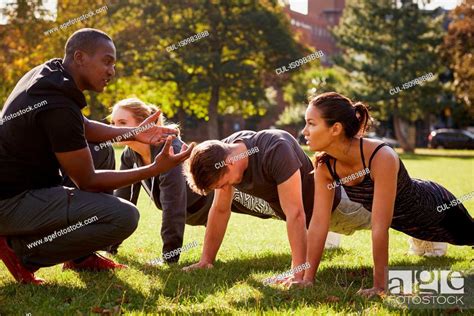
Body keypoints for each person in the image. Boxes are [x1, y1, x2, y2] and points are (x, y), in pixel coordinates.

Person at [0, 28, 193, 284]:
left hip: (26, 187)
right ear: (80, 57)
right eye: (107, 61)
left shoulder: (50, 74)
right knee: (124, 216)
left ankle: (79, 257)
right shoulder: (56, 103)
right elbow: (88, 181)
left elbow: (84, 127)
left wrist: (134, 133)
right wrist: (154, 169)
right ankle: (21, 251)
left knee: (100, 151)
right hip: (10, 201)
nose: (112, 71)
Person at [109, 98, 330, 264]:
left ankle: (328, 233)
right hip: (227, 196)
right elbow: (123, 197)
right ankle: (323, 231)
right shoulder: (131, 155)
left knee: (287, 210)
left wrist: (170, 257)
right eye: (113, 123)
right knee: (271, 206)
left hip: (331, 205)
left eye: (122, 122)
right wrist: (206, 261)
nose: (115, 129)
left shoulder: (170, 150)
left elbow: (173, 206)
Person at [298, 92, 473, 297]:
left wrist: (380, 286)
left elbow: (380, 226)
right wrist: (307, 278)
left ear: (335, 128)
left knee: (469, 236)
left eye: (311, 123)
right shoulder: (325, 167)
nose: (304, 131)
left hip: (435, 209)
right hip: (406, 224)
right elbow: (319, 223)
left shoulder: (380, 156)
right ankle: (426, 242)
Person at [182, 129, 368, 276]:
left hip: (343, 207)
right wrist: (206, 260)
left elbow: (295, 213)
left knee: (389, 215)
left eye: (222, 184)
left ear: (229, 162)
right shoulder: (224, 152)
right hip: (314, 221)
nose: (224, 189)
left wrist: (297, 272)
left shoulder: (276, 149)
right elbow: (220, 210)